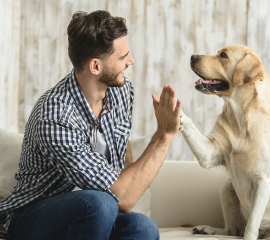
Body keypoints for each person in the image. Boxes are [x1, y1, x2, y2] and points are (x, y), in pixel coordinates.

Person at [0, 10, 181, 240]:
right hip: (32, 215)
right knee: (99, 202)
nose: (130, 61)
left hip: (94, 213)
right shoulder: (55, 115)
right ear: (95, 66)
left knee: (143, 227)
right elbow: (121, 197)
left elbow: (122, 153)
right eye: (123, 56)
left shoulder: (121, 91)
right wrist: (164, 136)